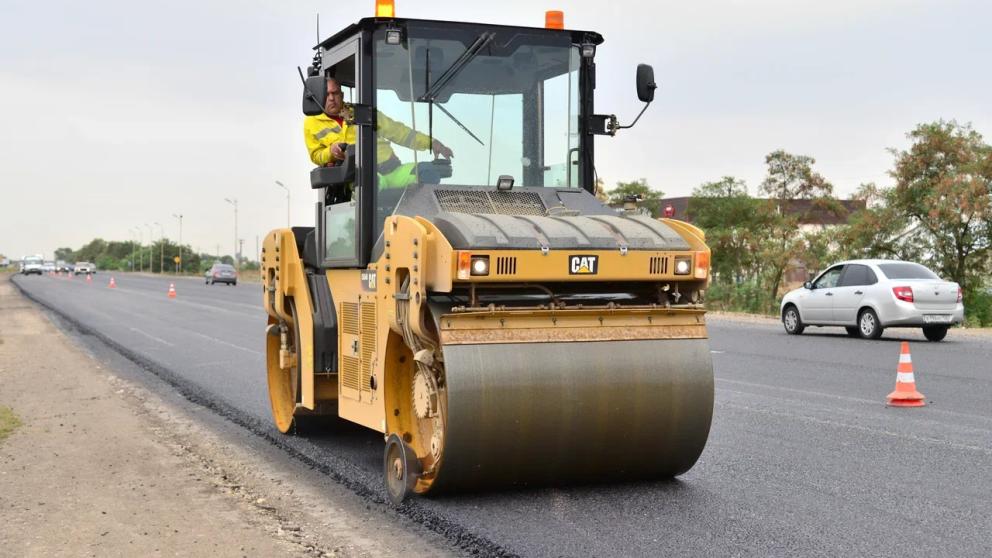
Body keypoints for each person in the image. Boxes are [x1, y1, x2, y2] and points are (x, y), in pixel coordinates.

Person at [303, 78, 453, 188]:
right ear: (319, 96)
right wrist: (331, 151)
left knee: (428, 171)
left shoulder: (363, 112)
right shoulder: (312, 123)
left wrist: (432, 143)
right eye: (327, 94)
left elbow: (400, 133)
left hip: (393, 171)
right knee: (372, 184)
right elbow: (316, 155)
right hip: (360, 177)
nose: (331, 98)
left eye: (335, 93)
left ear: (342, 95)